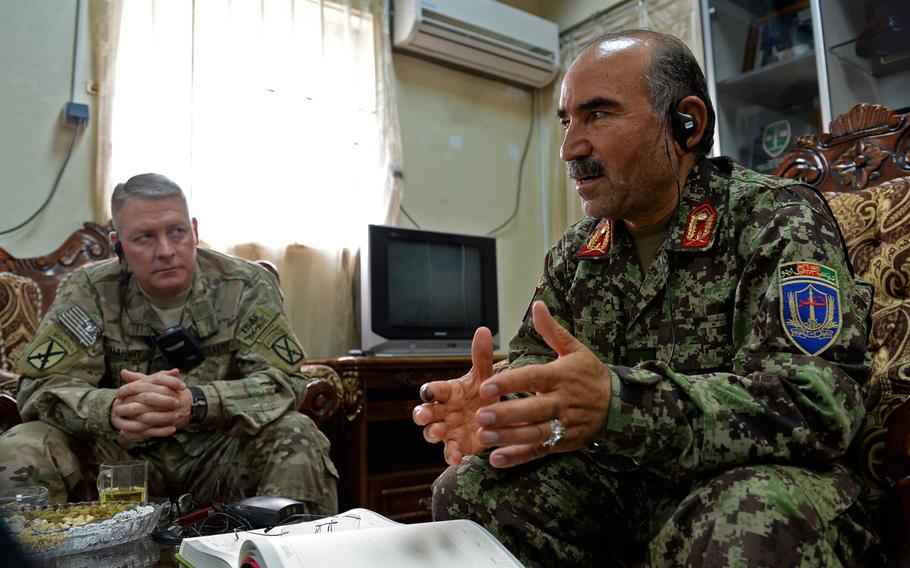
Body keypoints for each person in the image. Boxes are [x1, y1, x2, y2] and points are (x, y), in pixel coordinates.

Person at [413, 30, 883, 566]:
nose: (570, 149)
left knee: (748, 514)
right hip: (622, 490)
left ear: (687, 123)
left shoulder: (777, 218)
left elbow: (819, 404)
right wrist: (503, 412)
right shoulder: (576, 253)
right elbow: (540, 371)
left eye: (599, 115)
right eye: (568, 122)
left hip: (742, 481)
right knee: (468, 487)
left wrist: (620, 403)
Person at [0, 173, 338, 514]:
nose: (166, 251)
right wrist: (113, 408)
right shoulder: (89, 289)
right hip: (116, 463)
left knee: (297, 433)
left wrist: (198, 402)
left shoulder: (245, 285)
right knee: (22, 444)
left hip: (219, 458)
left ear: (194, 229)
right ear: (119, 244)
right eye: (145, 237)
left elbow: (284, 382)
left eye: (177, 232)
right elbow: (39, 387)